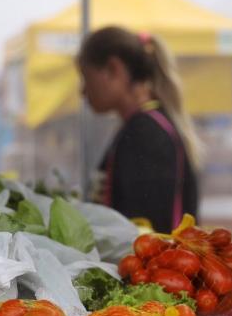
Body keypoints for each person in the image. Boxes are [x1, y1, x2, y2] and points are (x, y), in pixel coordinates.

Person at [78, 26, 201, 233]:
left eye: (85, 77)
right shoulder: (144, 126)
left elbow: (147, 231)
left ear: (113, 69)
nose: (82, 90)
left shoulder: (145, 134)